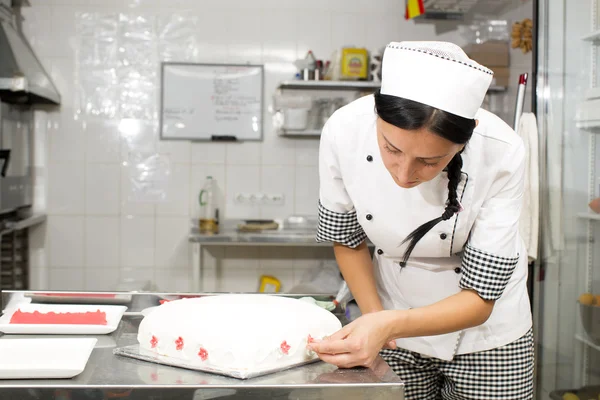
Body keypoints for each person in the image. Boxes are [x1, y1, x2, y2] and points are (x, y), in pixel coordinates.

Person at [308, 41, 534, 400]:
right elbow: (348, 240)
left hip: (488, 335)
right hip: (389, 310)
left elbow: (481, 296)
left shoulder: (502, 151)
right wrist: (376, 320)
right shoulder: (344, 131)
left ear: (465, 139)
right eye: (391, 149)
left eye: (429, 161)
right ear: (376, 118)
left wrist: (385, 326)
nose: (403, 174)